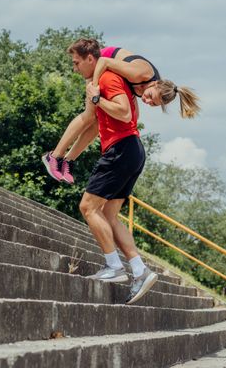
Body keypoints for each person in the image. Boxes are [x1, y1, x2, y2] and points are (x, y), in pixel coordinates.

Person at [67, 39, 158, 304]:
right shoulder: (116, 79)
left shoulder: (106, 79)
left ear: (90, 59)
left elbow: (124, 111)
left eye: (76, 63)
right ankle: (140, 271)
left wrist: (95, 97)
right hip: (130, 150)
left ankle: (114, 267)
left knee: (88, 208)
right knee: (108, 214)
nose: (74, 69)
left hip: (122, 150)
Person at [41, 38, 200, 184]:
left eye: (152, 104)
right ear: (155, 83)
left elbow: (131, 117)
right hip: (100, 62)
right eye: (150, 96)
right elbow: (103, 62)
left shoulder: (148, 87)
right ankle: (54, 156)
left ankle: (68, 161)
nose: (147, 100)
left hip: (111, 71)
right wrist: (94, 89)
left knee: (105, 121)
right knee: (90, 115)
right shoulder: (140, 73)